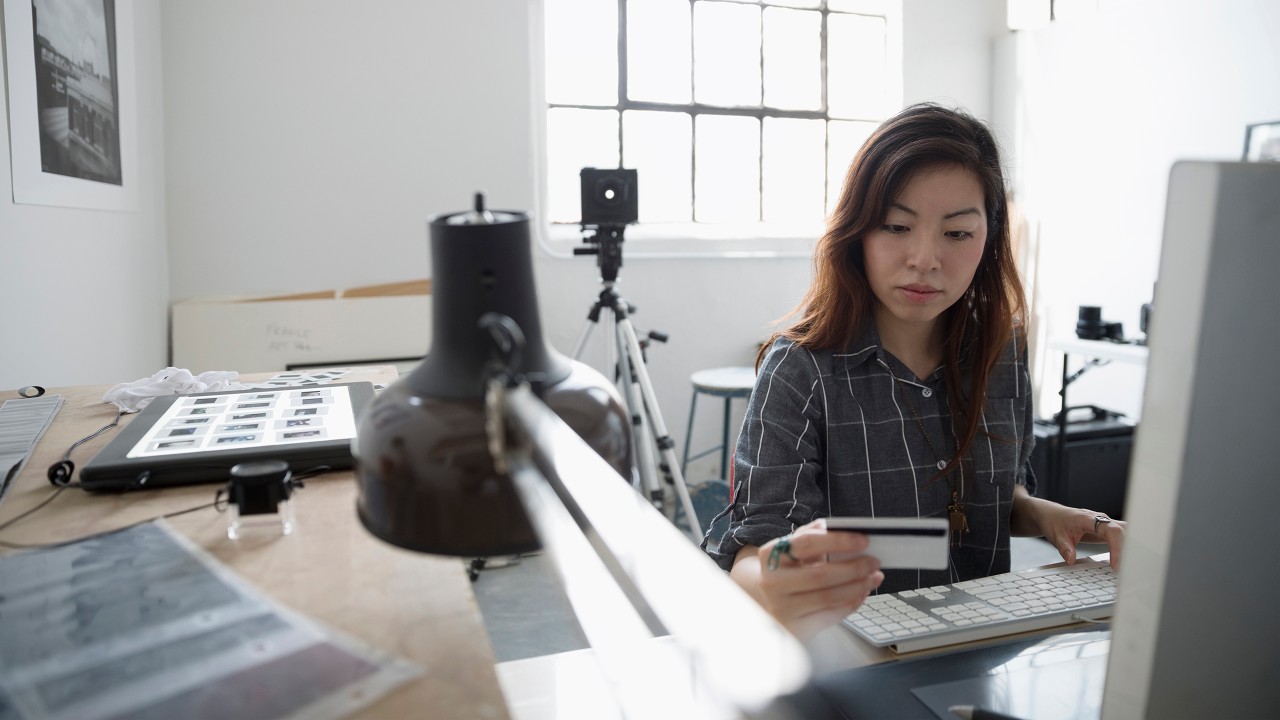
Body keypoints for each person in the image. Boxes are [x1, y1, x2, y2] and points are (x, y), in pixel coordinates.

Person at [702, 103, 1126, 640]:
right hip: (850, 655)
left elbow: (996, 498)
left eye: (956, 234)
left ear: (989, 241)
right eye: (897, 226)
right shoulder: (801, 370)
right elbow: (749, 554)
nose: (924, 259)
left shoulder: (1001, 354)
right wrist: (772, 580)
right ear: (856, 233)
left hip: (979, 644)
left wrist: (1048, 516)